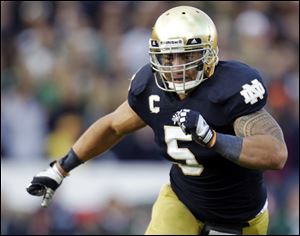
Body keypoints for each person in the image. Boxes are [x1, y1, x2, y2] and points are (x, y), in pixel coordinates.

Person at [27, 6, 288, 235]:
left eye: (186, 56)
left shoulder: (230, 88)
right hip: (183, 200)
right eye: (168, 56)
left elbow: (276, 154)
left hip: (238, 215)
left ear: (208, 55)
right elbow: (112, 126)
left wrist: (213, 139)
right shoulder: (151, 88)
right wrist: (60, 169)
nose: (175, 66)